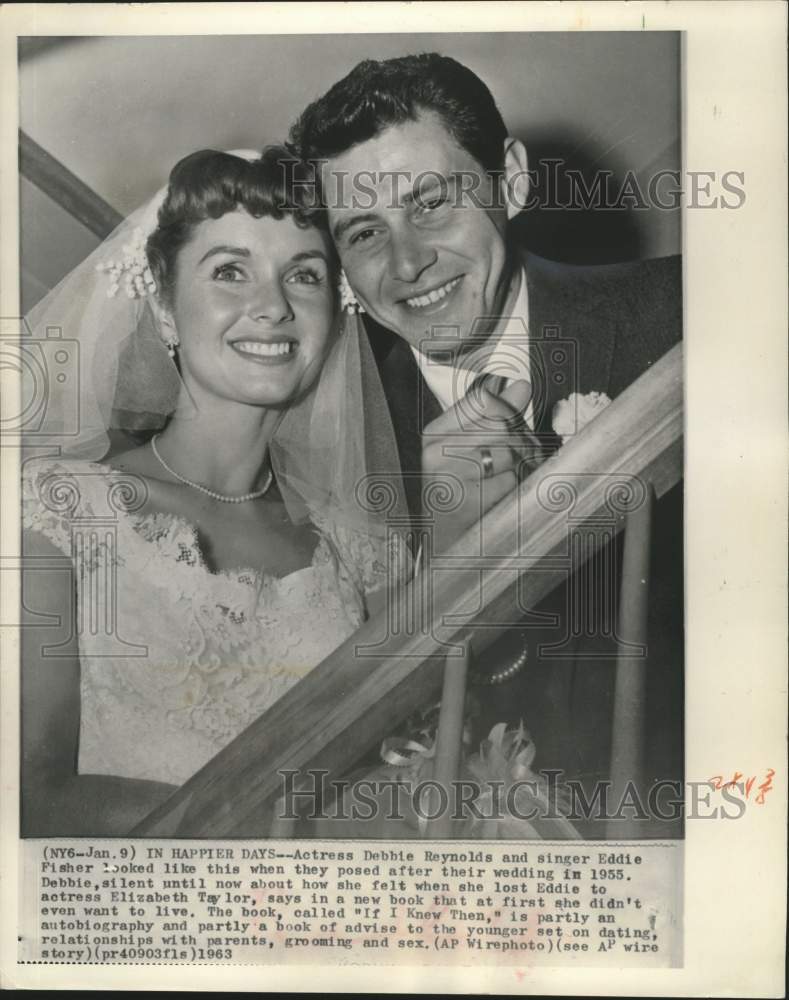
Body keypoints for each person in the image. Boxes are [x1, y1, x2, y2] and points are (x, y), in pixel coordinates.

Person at [290, 53, 684, 834]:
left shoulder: (685, 316)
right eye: (365, 232)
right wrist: (460, 562)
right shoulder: (323, 453)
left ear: (510, 180)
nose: (407, 263)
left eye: (430, 203)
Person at [20, 147, 409, 837]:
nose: (273, 306)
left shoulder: (362, 550)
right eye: (230, 271)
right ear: (165, 308)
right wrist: (301, 842)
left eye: (305, 275)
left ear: (337, 314)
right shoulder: (52, 510)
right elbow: (29, 796)